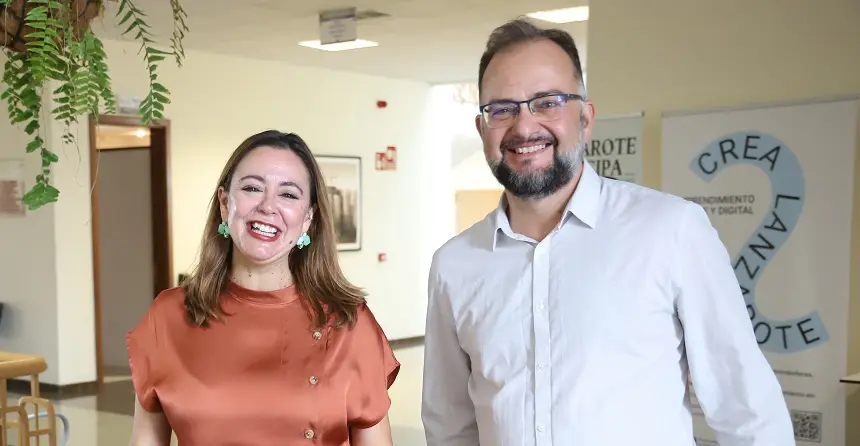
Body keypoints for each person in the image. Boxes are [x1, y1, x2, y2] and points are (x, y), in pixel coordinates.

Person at [421, 19, 794, 446]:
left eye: (547, 102)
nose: (523, 128)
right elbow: (450, 426)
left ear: (586, 117)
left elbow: (746, 411)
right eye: (502, 109)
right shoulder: (454, 265)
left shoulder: (671, 231)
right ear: (482, 128)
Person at [127, 130, 400, 446]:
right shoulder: (168, 317)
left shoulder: (347, 323)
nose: (268, 207)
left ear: (308, 218)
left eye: (288, 194)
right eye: (252, 188)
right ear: (225, 202)